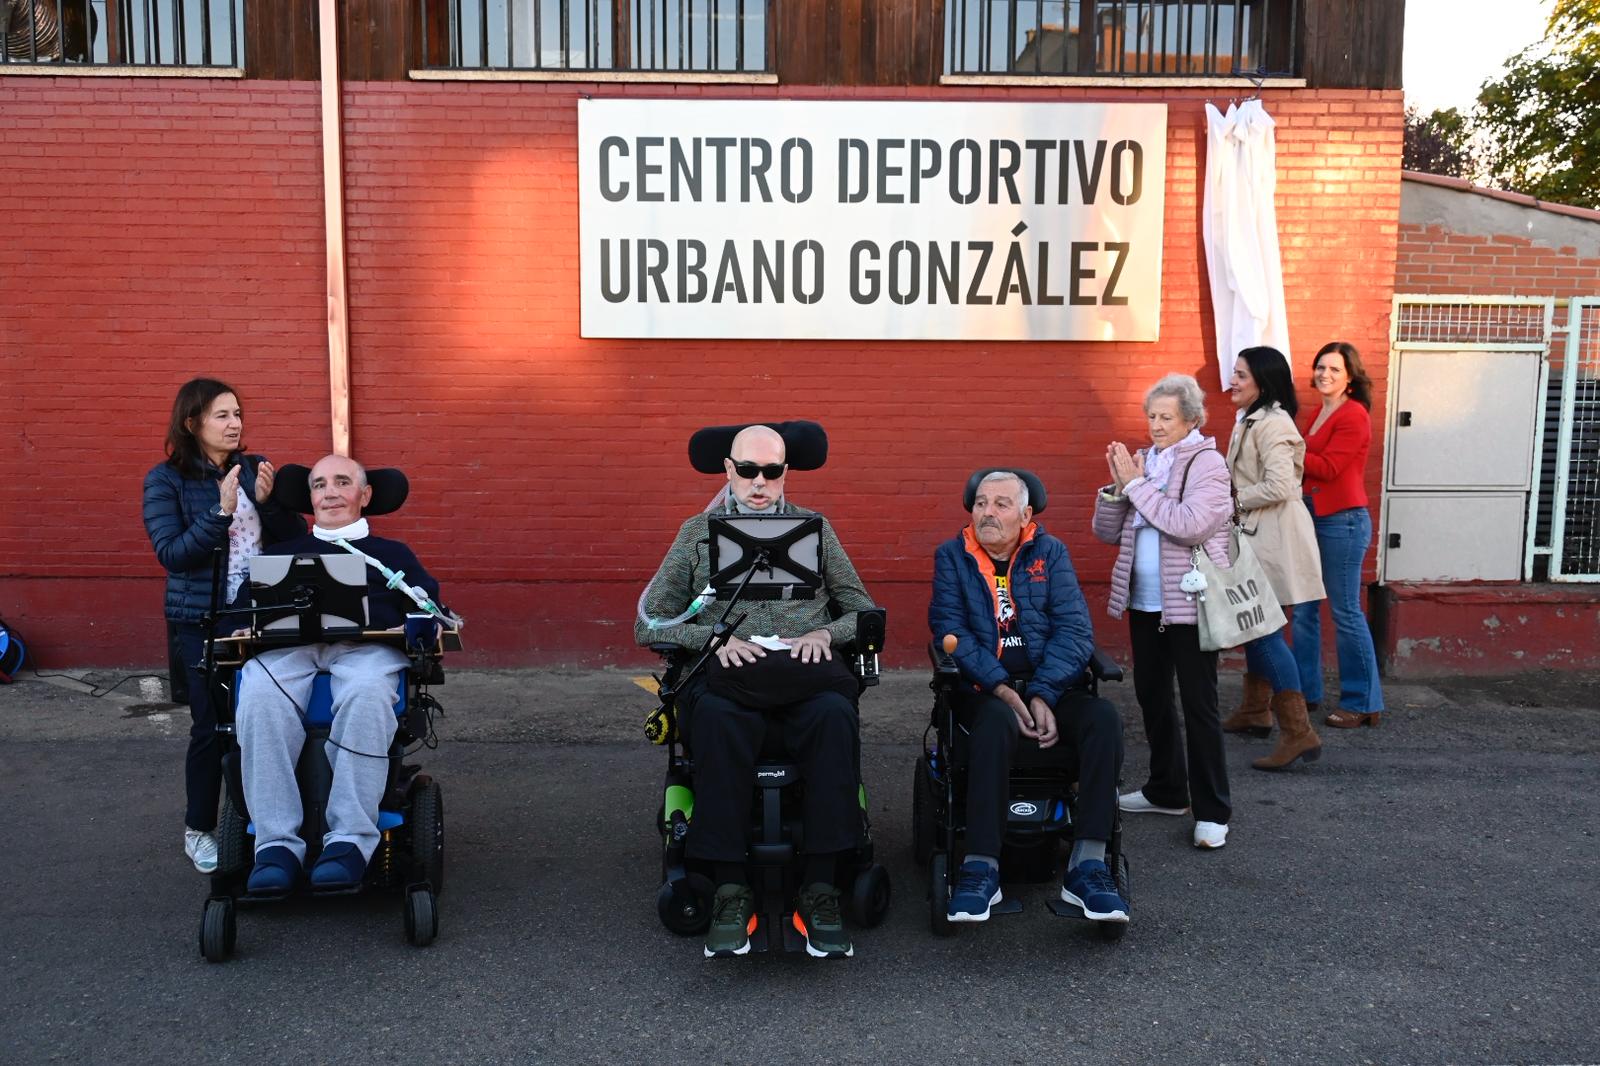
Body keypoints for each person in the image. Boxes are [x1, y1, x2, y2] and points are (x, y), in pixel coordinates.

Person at [635, 425, 877, 960]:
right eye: (748, 470)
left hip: (806, 671)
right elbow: (649, 625)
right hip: (727, 674)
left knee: (835, 715)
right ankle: (729, 889)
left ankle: (819, 889)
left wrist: (824, 633)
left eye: (772, 471)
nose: (760, 481)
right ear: (728, 470)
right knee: (719, 722)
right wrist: (713, 639)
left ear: (786, 472)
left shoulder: (816, 527)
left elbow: (862, 609)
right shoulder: (697, 532)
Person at [232, 454, 450, 894]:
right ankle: (276, 844)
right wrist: (238, 625)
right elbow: (236, 613)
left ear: (365, 496)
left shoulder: (392, 555)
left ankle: (350, 839)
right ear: (309, 497)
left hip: (367, 649)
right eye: (319, 485)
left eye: (342, 482)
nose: (329, 492)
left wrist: (411, 622)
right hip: (289, 649)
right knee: (257, 689)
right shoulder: (279, 555)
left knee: (368, 689)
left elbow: (430, 610)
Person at [929, 470, 1128, 925]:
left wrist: (1043, 693)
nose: (988, 513)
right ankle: (981, 867)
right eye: (980, 503)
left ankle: (1089, 865)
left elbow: (1076, 631)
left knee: (1103, 720)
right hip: (984, 689)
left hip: (1052, 685)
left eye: (1001, 504)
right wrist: (1001, 687)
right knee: (995, 720)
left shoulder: (1050, 553)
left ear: (1026, 514)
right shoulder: (952, 557)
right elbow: (950, 629)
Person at [142, 378, 304, 874]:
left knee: (271, 717)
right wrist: (220, 512)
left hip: (263, 614)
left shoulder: (253, 468)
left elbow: (296, 541)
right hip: (201, 620)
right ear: (192, 424)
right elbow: (172, 554)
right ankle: (200, 829)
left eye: (237, 414)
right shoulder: (164, 480)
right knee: (212, 727)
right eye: (221, 416)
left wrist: (271, 503)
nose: (235, 424)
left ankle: (273, 824)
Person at [1093, 374, 1236, 849]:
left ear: (1192, 419)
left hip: (1191, 604)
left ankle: (1213, 810)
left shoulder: (1208, 464)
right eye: (1151, 416)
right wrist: (1117, 491)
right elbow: (1108, 532)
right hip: (1144, 601)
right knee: (1151, 696)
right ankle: (1167, 789)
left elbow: (1190, 526)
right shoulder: (1147, 463)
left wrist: (1136, 487)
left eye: (1165, 417)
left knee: (1199, 704)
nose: (1155, 426)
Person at [1221, 347, 1326, 771]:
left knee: (1263, 629)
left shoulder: (1273, 424)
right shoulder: (1250, 418)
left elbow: (1282, 485)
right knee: (1254, 623)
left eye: (1241, 375)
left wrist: (1232, 502)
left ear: (1262, 382)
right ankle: (1255, 711)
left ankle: (1298, 733)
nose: (1233, 380)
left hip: (1274, 539)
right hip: (1259, 537)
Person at [1293, 342, 1384, 729]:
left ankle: (1363, 701)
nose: (1324, 374)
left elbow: (1328, 468)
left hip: (1342, 521)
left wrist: (1288, 450)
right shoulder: (1318, 412)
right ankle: (1304, 693)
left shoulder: (1353, 415)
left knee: (1345, 611)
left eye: (1334, 368)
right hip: (1313, 516)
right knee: (1303, 607)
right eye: (1320, 367)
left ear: (1350, 377)